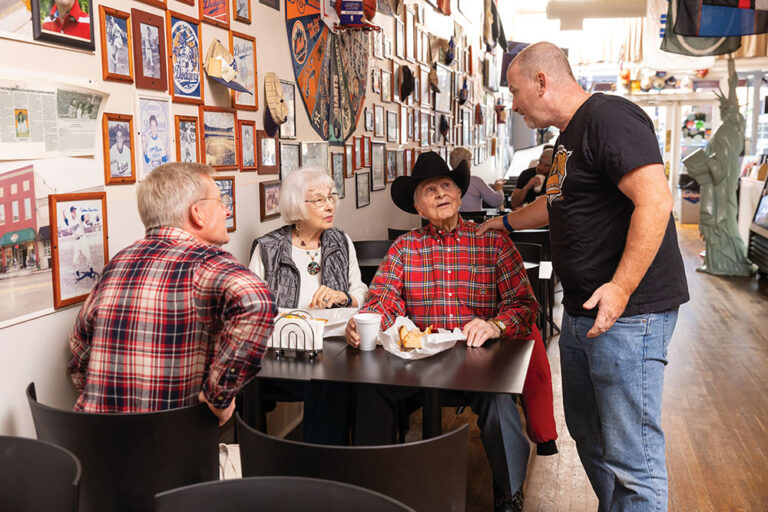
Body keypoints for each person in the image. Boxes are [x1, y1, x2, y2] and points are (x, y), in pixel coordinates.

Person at [479, 42, 689, 511]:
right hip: (581, 312)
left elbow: (655, 201)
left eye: (514, 91)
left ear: (541, 81)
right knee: (590, 437)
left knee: (632, 457)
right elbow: (556, 206)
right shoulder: (567, 138)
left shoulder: (610, 118)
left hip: (629, 314)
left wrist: (620, 287)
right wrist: (505, 223)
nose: (512, 104)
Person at [345, 151, 556, 512]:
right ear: (417, 206)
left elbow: (524, 305)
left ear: (459, 195)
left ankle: (509, 493)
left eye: (447, 186)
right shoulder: (404, 248)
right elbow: (383, 297)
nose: (441, 193)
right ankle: (375, 487)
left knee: (498, 402)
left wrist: (493, 324)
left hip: (479, 360)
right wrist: (365, 321)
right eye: (430, 190)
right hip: (417, 362)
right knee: (369, 391)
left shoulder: (493, 242)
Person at [68, 162, 275, 425]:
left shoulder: (119, 261)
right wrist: (218, 396)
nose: (227, 209)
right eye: (221, 201)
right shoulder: (207, 262)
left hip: (96, 446)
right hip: (175, 451)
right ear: (197, 213)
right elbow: (258, 302)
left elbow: (78, 345)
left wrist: (105, 394)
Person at [249, 167, 368, 444]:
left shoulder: (341, 240)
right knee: (327, 379)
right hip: (285, 352)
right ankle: (323, 466)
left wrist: (344, 297)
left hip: (337, 346)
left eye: (331, 197)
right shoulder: (268, 248)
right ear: (296, 205)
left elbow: (361, 292)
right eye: (319, 200)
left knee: (355, 379)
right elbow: (253, 309)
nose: (329, 206)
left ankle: (350, 460)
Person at [450, 146, 505, 212]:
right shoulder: (475, 181)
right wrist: (499, 187)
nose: (470, 164)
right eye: (469, 160)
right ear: (465, 163)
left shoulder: (446, 182)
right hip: (472, 221)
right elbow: (497, 201)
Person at [63, 205, 95, 280]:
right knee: (75, 260)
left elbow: (85, 216)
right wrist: (63, 213)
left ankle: (92, 272)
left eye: (75, 210)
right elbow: (66, 221)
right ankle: (77, 275)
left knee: (88, 257)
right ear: (71, 212)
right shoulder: (71, 222)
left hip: (83, 239)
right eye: (73, 211)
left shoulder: (79, 218)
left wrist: (88, 221)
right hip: (77, 242)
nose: (75, 212)